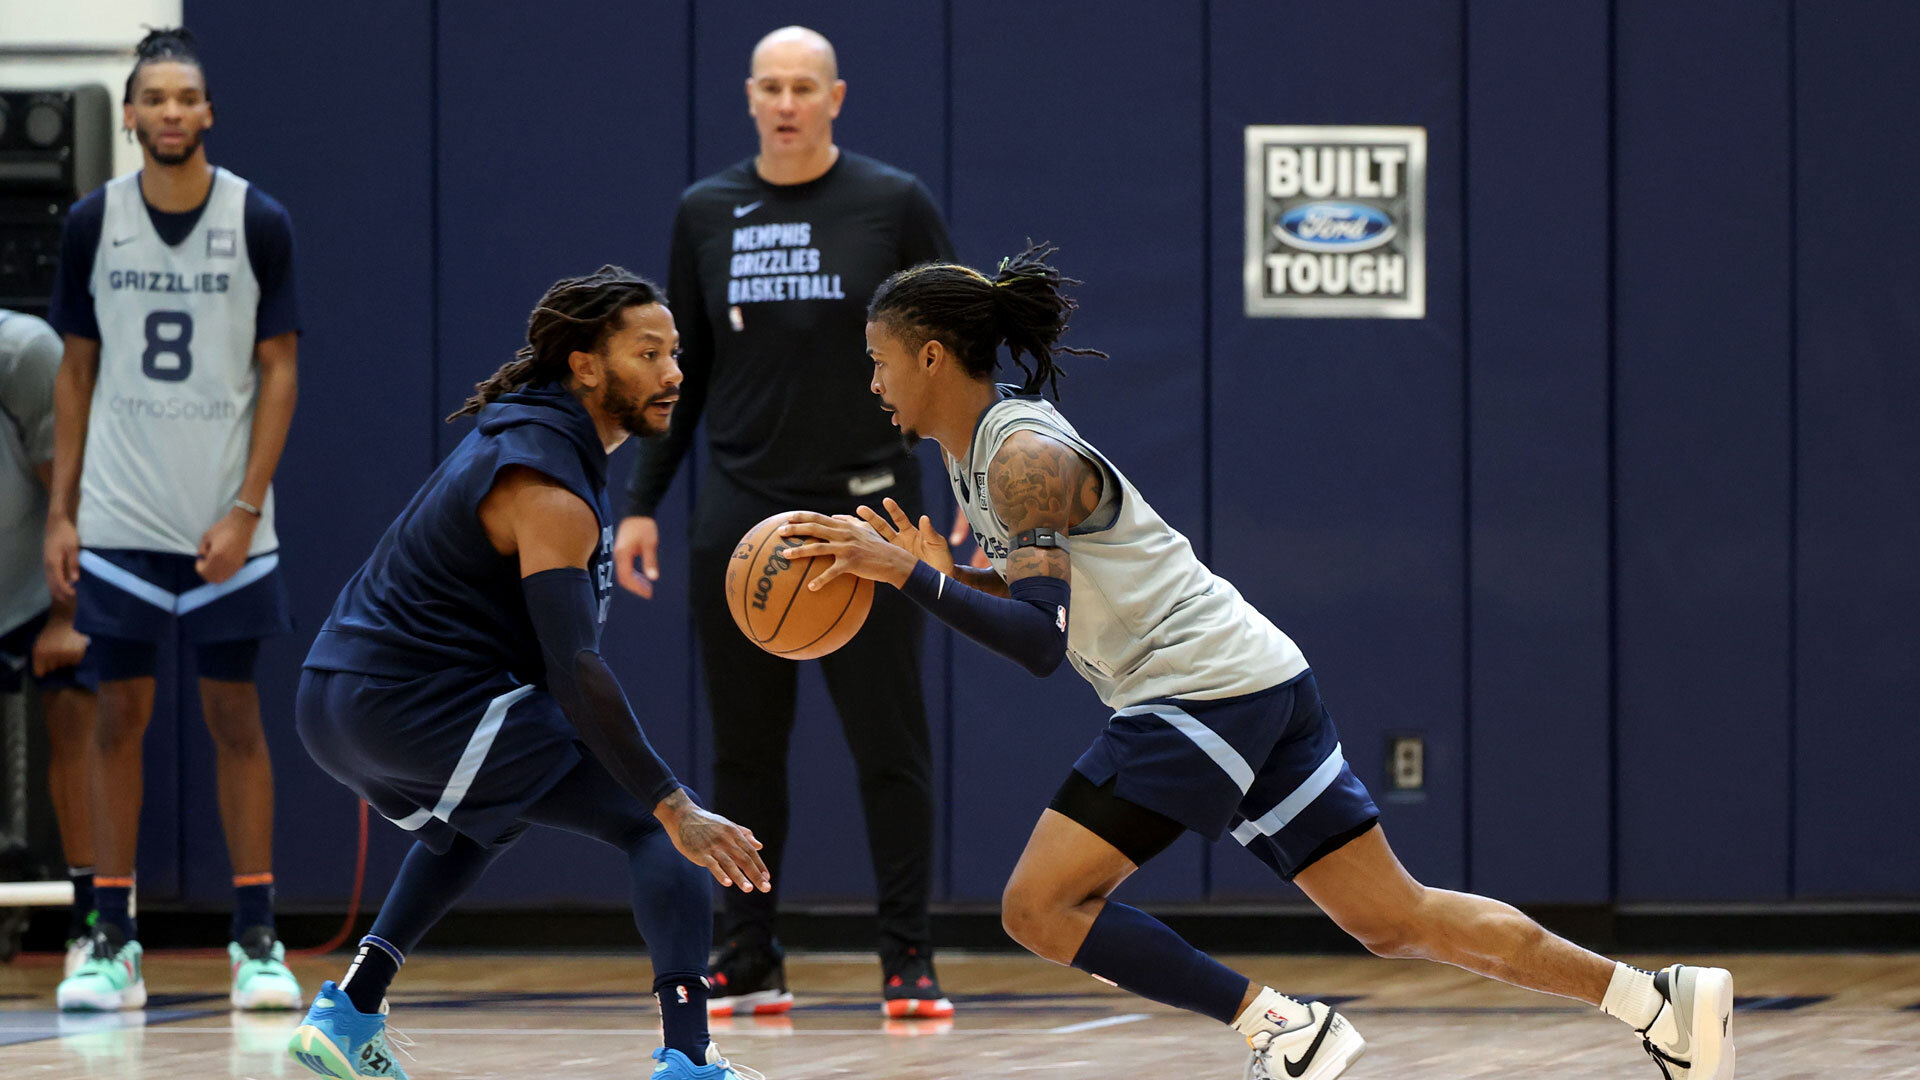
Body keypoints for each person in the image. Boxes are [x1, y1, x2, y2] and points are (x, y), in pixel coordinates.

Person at [777, 244, 1738, 1080]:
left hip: (1196, 691)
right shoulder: (981, 453)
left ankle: (1282, 1029)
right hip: (1253, 679)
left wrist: (911, 578)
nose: (874, 383)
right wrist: (951, 578)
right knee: (1392, 917)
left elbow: (1038, 646)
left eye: (880, 362)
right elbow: (1045, 608)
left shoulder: (1023, 453)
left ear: (932, 355)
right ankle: (1656, 1003)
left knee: (1039, 906)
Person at [288, 267, 767, 1080]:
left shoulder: (527, 434)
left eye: (676, 353)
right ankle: (689, 1060)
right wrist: (672, 802)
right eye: (648, 354)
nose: (674, 374)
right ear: (585, 365)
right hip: (406, 700)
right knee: (656, 825)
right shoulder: (549, 487)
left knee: (489, 810)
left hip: (338, 695)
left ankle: (348, 1011)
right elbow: (575, 669)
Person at [614, 25, 955, 1018]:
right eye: (773, 86)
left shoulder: (893, 204)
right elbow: (681, 376)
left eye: (806, 86)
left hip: (871, 508)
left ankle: (908, 958)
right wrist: (639, 504)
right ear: (751, 97)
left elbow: (954, 356)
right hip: (743, 514)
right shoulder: (706, 211)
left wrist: (973, 493)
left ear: (836, 97)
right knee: (743, 753)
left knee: (890, 746)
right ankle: (749, 951)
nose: (789, 102)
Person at [42, 27, 303, 1012]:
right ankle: (111, 938)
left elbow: (281, 370)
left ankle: (258, 938)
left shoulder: (259, 220)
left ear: (208, 113)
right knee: (118, 714)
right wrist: (61, 511)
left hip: (226, 521)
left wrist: (244, 507)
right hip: (119, 513)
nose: (172, 113)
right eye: (154, 97)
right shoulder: (91, 223)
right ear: (130, 114)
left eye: (187, 97)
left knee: (236, 715)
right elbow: (76, 372)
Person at [0, 308, 99, 977]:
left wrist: (70, 614)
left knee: (77, 714)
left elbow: (72, 497)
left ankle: (99, 922)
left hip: (36, 587)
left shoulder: (22, 354)